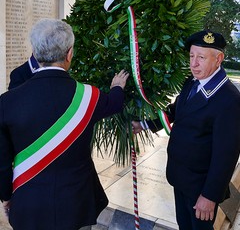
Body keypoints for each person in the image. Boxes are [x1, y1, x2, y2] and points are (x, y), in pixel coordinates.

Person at [0, 18, 129, 230]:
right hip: (76, 205)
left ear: (35, 50)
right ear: (69, 53)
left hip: (29, 205)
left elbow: (2, 163)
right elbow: (114, 103)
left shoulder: (6, 102)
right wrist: (117, 87)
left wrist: (6, 197)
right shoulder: (89, 96)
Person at [132, 30, 240, 230]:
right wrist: (144, 125)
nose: (194, 63)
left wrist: (209, 196)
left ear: (219, 59)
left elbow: (226, 155)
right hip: (181, 177)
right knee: (184, 225)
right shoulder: (192, 83)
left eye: (201, 57)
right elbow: (176, 111)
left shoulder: (229, 99)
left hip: (201, 187)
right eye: (192, 56)